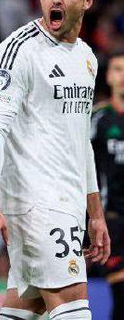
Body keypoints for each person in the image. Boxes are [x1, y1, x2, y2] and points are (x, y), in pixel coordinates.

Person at [0, 0, 110, 320]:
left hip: (67, 201)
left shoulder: (86, 58)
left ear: (87, 1)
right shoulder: (18, 51)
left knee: (28, 306)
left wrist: (94, 213)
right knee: (72, 304)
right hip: (35, 201)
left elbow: (80, 140)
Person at [91, 50, 124, 319]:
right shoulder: (98, 118)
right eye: (118, 69)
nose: (123, 76)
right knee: (122, 295)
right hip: (113, 220)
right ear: (108, 76)